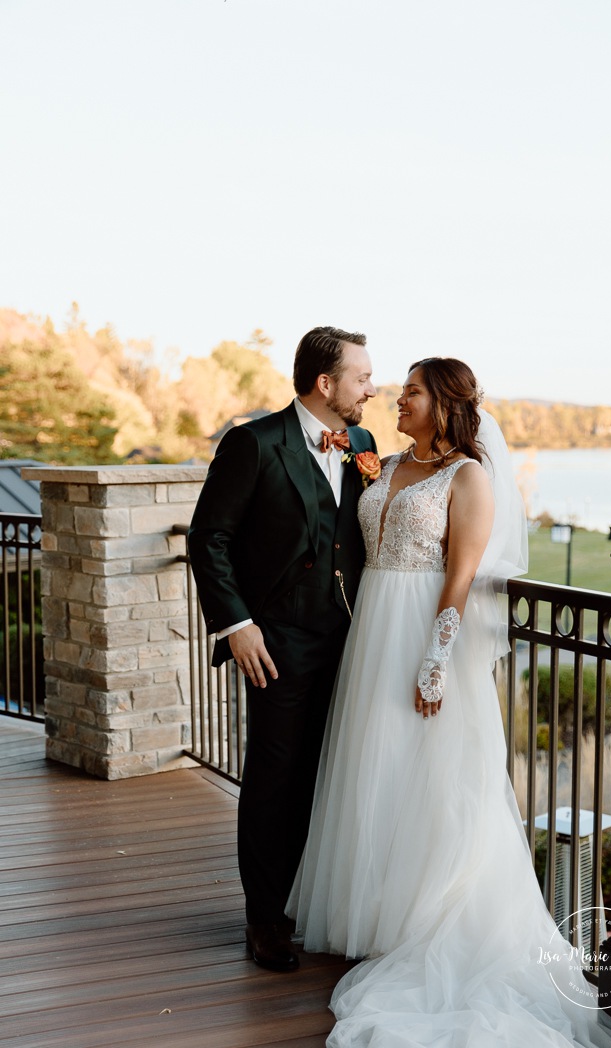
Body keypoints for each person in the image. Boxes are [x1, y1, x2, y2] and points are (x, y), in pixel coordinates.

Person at [288, 358, 611, 1047]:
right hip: (370, 638)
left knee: (433, 782)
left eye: (409, 391)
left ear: (441, 401)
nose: (395, 400)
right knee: (373, 771)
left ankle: (426, 919)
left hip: (420, 635)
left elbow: (462, 578)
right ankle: (374, 916)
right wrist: (349, 464)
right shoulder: (381, 464)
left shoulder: (468, 477)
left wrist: (436, 659)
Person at [187, 326, 377, 973]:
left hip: (350, 639)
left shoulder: (363, 444)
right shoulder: (253, 442)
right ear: (326, 384)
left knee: (330, 776)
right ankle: (265, 919)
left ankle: (311, 902)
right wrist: (236, 624)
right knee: (274, 778)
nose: (370, 390)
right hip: (276, 642)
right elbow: (207, 538)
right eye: (361, 378)